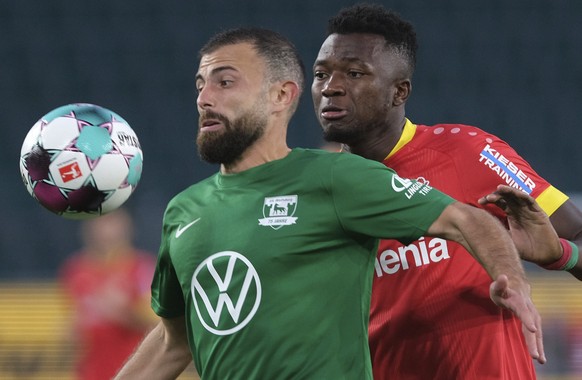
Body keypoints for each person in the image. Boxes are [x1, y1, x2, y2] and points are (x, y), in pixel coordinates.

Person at [115, 27, 545, 379]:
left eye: (224, 82)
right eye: (200, 84)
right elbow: (177, 340)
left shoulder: (335, 177)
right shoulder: (184, 211)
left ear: (281, 96)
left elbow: (464, 218)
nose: (204, 98)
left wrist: (513, 278)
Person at [311, 3, 582, 379]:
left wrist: (561, 255)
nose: (331, 87)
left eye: (354, 73)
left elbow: (576, 232)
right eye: (321, 74)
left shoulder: (468, 152)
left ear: (399, 91)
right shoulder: (313, 191)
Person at [59, 208, 157, 380]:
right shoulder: (76, 269)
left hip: (134, 372)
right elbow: (74, 323)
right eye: (100, 222)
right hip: (93, 373)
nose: (105, 229)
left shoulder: (140, 267)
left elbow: (158, 324)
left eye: (112, 222)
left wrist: (124, 312)